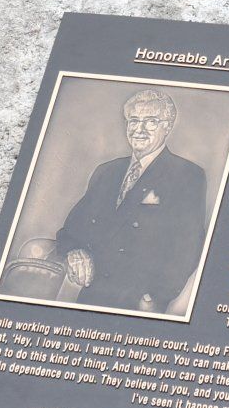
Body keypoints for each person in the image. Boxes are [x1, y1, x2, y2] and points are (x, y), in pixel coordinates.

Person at [55, 88, 208, 313]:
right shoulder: (106, 172)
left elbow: (188, 245)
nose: (140, 129)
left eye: (151, 121)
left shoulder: (187, 174)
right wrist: (74, 250)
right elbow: (71, 229)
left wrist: (156, 296)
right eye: (134, 120)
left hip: (140, 302)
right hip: (92, 294)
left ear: (168, 126)